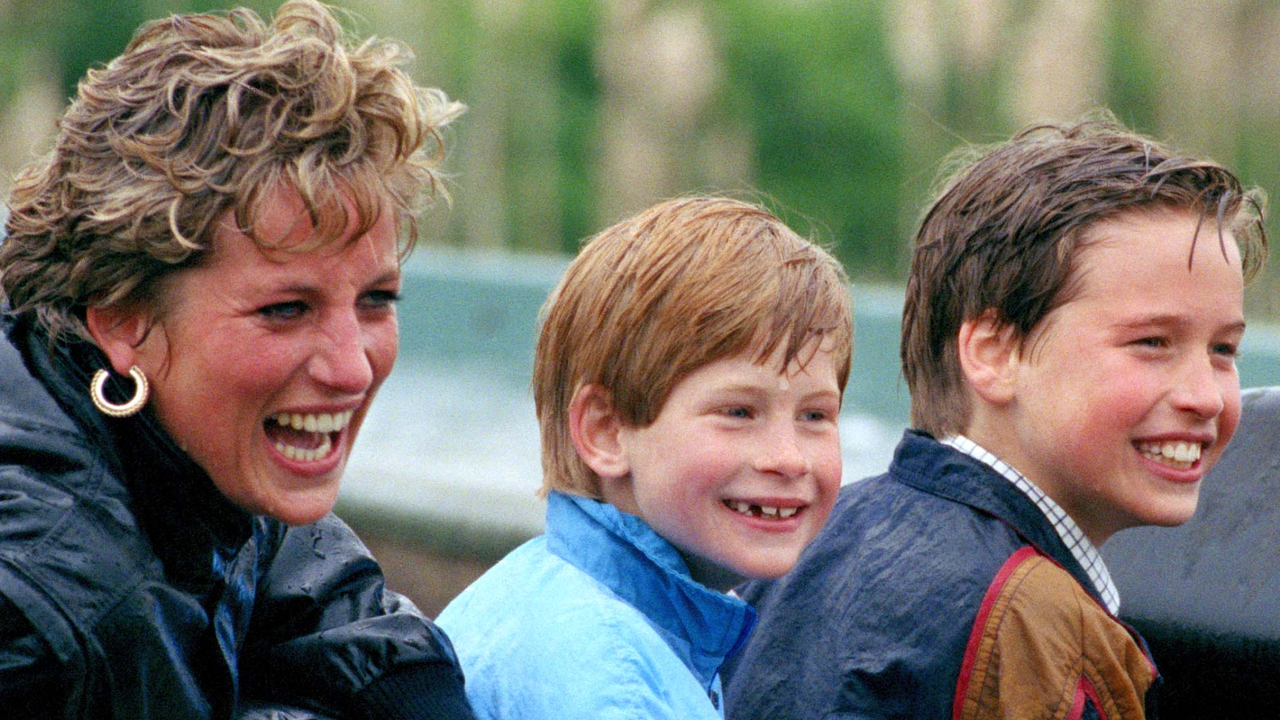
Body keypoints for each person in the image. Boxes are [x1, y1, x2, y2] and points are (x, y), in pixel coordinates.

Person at [0, 2, 474, 718]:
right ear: (124, 318)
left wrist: (414, 690)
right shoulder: (41, 620)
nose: (352, 368)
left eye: (377, 300)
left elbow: (287, 565)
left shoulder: (162, 434)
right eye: (286, 310)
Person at [723, 116, 1268, 720]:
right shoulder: (1034, 626)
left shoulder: (818, 541)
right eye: (1152, 343)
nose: (1206, 397)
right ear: (993, 354)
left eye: (1223, 350)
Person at [436, 196, 854, 719]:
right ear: (607, 432)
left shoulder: (554, 595)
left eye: (815, 416)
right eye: (739, 412)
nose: (789, 459)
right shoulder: (615, 687)